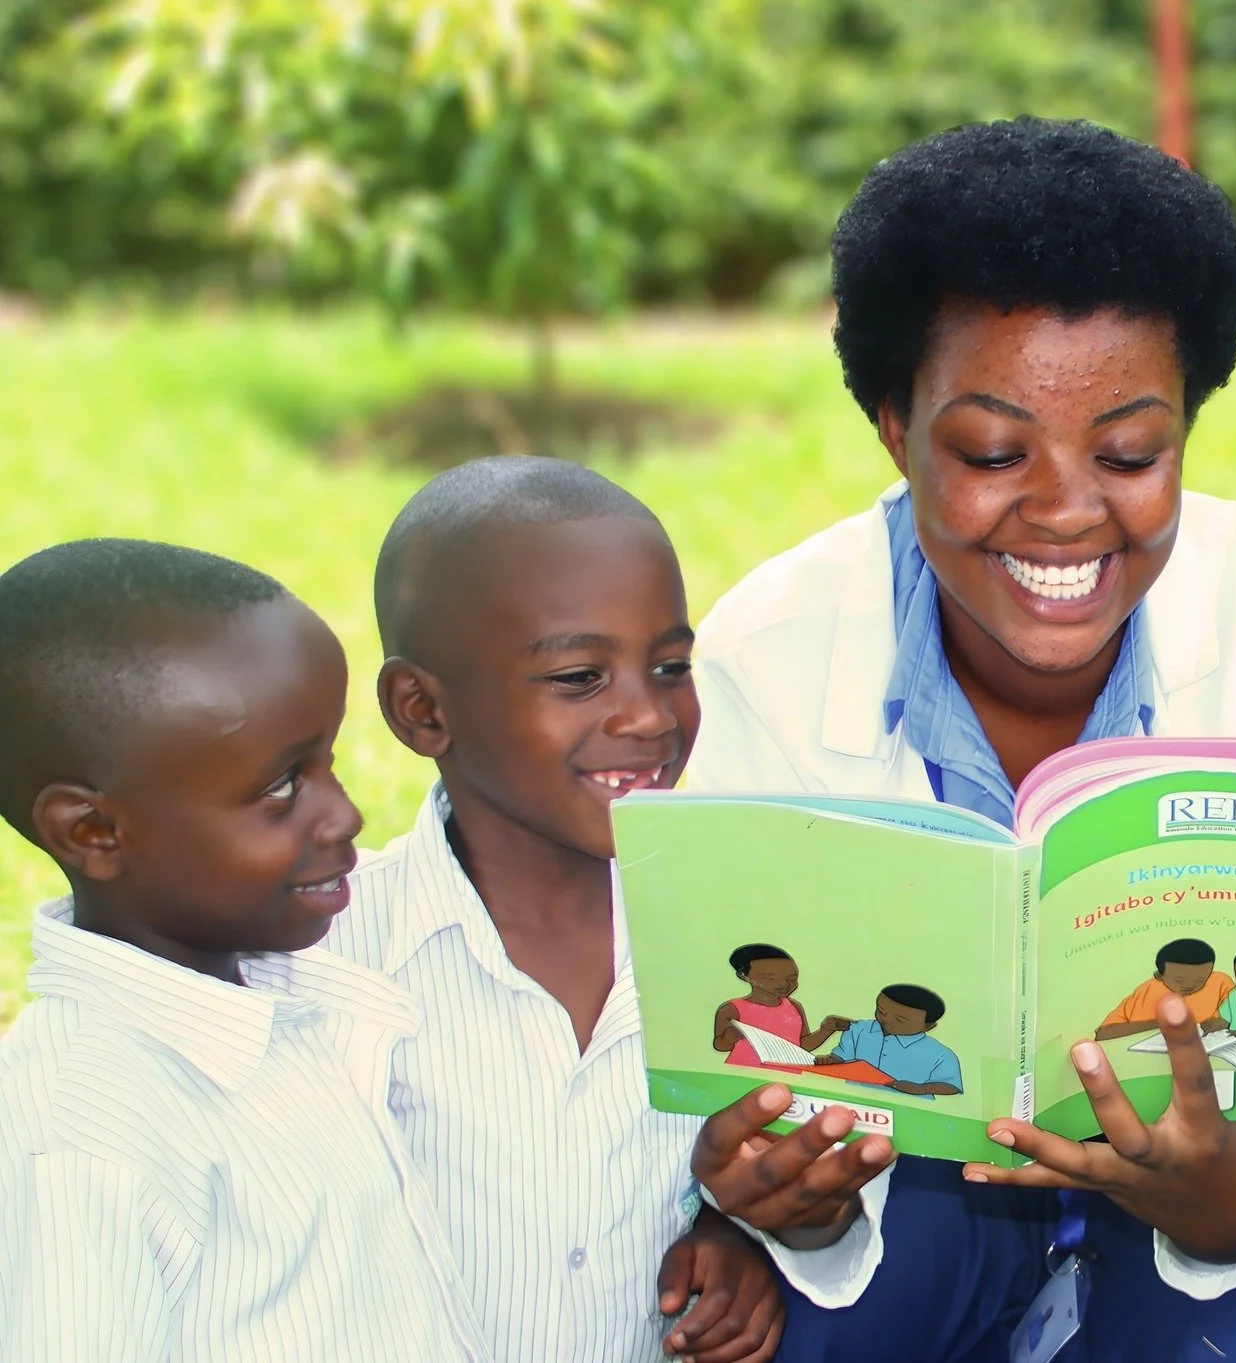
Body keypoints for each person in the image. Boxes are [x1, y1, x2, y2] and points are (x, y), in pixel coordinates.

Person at [687, 116, 1236, 1363]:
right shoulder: (762, 655)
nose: (1061, 510)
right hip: (915, 1186)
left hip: (1224, 1178)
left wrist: (1228, 1197)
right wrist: (781, 1201)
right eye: (992, 451)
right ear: (893, 424)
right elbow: (725, 1057)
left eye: (1128, 451)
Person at [325, 458, 809, 1363]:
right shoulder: (332, 965)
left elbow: (785, 1183)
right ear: (422, 711)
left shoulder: (748, 946)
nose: (649, 717)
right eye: (581, 676)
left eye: (670, 665)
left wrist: (750, 1239)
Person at [0, 540, 489, 1360]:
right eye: (284, 787)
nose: (344, 815)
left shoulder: (290, 1007)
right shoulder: (84, 1137)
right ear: (94, 831)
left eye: (327, 761)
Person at [715, 944, 851, 1067]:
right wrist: (727, 1038)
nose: (784, 984)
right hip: (745, 1071)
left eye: (791, 979)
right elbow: (719, 1045)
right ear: (743, 975)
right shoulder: (731, 1009)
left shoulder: (794, 1007)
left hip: (788, 1075)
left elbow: (800, 1045)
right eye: (770, 978)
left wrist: (826, 1030)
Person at [827, 985, 964, 1096]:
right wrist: (831, 1060)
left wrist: (921, 1089)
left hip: (909, 1107)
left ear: (928, 1026)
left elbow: (950, 1086)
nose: (886, 1020)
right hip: (853, 1096)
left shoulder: (941, 1054)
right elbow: (842, 1057)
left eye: (900, 1020)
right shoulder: (859, 1029)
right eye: (881, 1011)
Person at [1096, 937, 1233, 1041]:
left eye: (1200, 980)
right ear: (1159, 976)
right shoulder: (1147, 991)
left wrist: (1227, 1021)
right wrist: (1159, 1023)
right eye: (1179, 980)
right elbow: (1104, 1033)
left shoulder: (1220, 982)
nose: (1189, 985)